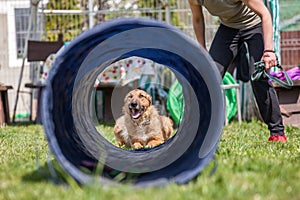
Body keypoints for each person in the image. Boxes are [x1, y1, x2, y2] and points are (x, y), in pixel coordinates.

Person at [188, 0, 287, 142]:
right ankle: (198, 132)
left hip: (254, 25)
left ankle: (277, 132)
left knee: (258, 77)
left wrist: (269, 51)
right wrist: (202, 51)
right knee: (209, 77)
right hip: (228, 28)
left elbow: (265, 14)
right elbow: (197, 19)